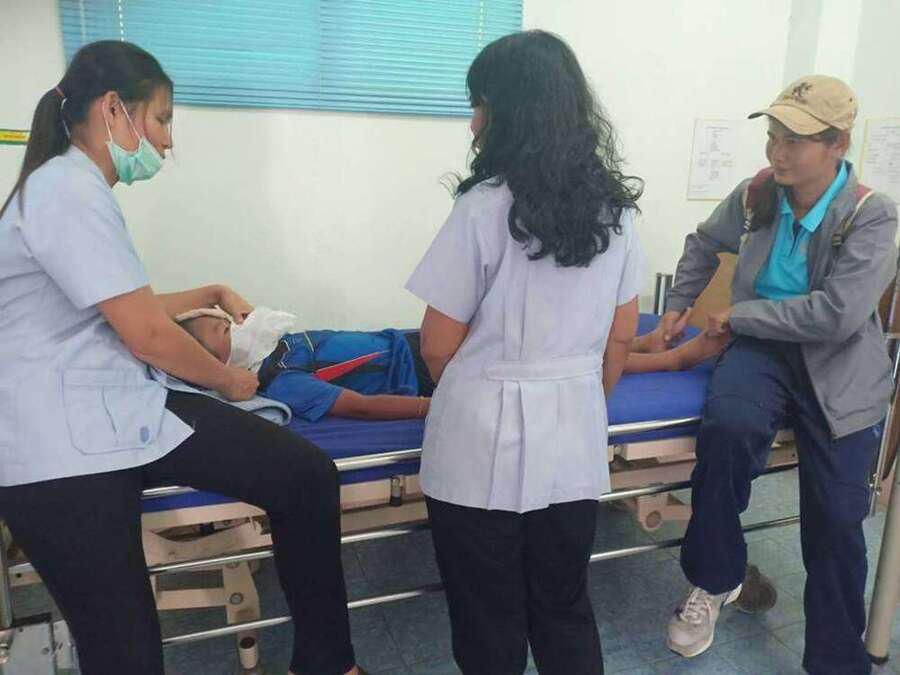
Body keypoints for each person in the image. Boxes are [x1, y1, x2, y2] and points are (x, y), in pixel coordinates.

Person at [0, 41, 366, 675]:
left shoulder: (66, 187)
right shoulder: (66, 189)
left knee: (305, 477)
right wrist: (229, 380)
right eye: (163, 119)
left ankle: (327, 664)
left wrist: (211, 291)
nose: (167, 142)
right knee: (125, 656)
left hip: (110, 416)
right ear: (113, 109)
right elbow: (145, 332)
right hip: (57, 451)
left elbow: (120, 303)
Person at [405, 30, 645, 675]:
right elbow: (622, 334)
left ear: (510, 111)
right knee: (564, 604)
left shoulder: (482, 207)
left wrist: (480, 395)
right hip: (574, 431)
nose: (474, 123)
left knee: (487, 612)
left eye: (479, 105)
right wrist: (581, 397)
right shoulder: (617, 212)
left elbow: (437, 345)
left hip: (478, 434)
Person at [657, 75, 897, 674]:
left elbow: (838, 315)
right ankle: (716, 579)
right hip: (760, 352)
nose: (778, 152)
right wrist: (679, 304)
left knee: (837, 521)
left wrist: (741, 314)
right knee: (726, 435)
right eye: (773, 136)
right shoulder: (756, 194)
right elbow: (702, 243)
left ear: (837, 144)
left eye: (796, 140)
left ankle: (837, 661)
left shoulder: (871, 214)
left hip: (839, 364)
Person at [177, 305, 433, 421]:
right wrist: (431, 408)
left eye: (229, 320)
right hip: (417, 372)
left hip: (408, 341)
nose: (238, 325)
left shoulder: (274, 344)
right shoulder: (283, 383)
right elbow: (362, 407)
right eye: (225, 330)